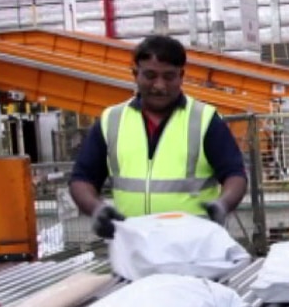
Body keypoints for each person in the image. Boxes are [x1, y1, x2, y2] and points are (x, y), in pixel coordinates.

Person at [69, 35, 248, 239]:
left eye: (169, 77)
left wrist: (222, 204)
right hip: (133, 249)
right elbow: (82, 178)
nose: (160, 85)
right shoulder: (112, 120)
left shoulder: (205, 120)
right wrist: (96, 209)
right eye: (150, 75)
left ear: (182, 76)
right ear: (135, 74)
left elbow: (235, 175)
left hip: (194, 249)